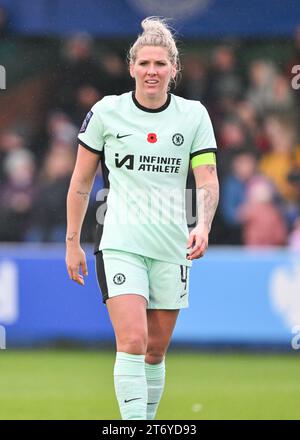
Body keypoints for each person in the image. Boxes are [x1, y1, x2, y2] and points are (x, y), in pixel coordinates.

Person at [65, 17, 219, 420]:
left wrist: (202, 225)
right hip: (119, 240)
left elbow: (207, 178)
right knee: (133, 340)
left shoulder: (193, 116)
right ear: (132, 67)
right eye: (145, 64)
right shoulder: (106, 112)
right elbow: (80, 182)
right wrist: (72, 242)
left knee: (155, 350)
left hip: (172, 244)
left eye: (161, 64)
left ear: (173, 69)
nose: (152, 71)